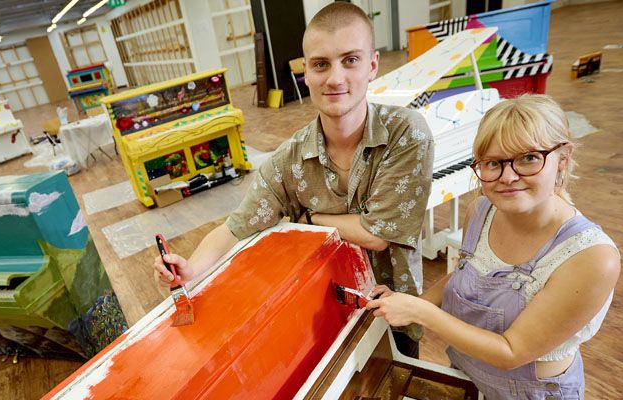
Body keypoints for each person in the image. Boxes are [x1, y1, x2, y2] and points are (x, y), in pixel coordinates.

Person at [153, 2, 434, 357]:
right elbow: (237, 226)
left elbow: (378, 234)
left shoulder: (406, 134)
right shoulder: (291, 157)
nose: (335, 78)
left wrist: (311, 219)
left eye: (350, 60)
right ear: (305, 72)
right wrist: (190, 268)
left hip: (394, 311)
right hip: (324, 315)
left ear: (372, 65)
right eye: (321, 64)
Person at [365, 94, 620, 399]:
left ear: (562, 158)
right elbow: (464, 273)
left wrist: (420, 312)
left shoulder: (591, 257)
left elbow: (511, 352)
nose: (508, 177)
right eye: (493, 163)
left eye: (528, 158)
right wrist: (412, 302)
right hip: (468, 374)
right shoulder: (483, 210)